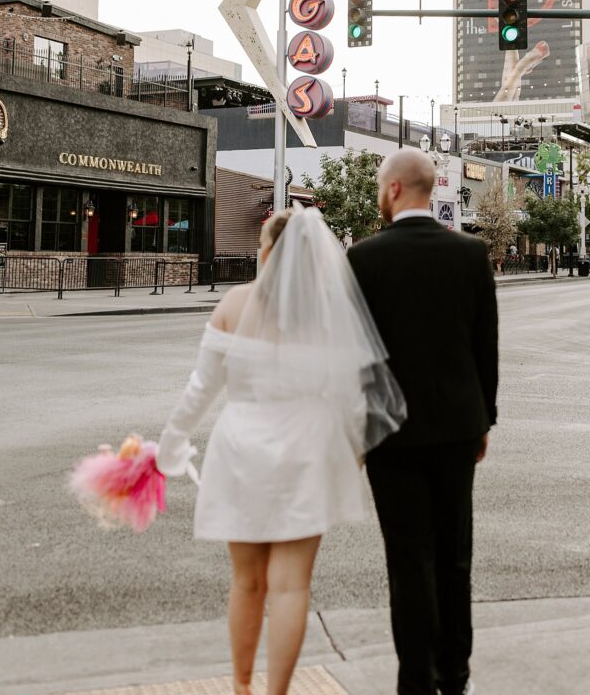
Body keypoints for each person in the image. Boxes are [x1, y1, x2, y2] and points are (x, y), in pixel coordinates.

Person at [156, 207, 405, 695]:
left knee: (246, 582)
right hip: (307, 450)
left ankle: (242, 686)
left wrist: (172, 443)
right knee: (292, 586)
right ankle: (278, 693)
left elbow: (200, 389)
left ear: (267, 251)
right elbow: (355, 399)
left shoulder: (234, 303)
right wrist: (350, 457)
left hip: (242, 448)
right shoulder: (331, 315)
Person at [347, 149, 499, 695]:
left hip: (391, 436)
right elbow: (486, 347)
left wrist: (360, 432)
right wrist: (485, 420)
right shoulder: (470, 253)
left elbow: (356, 357)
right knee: (455, 557)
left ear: (392, 190)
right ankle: (454, 677)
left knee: (408, 561)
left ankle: (414, 682)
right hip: (459, 429)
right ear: (431, 190)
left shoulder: (363, 259)